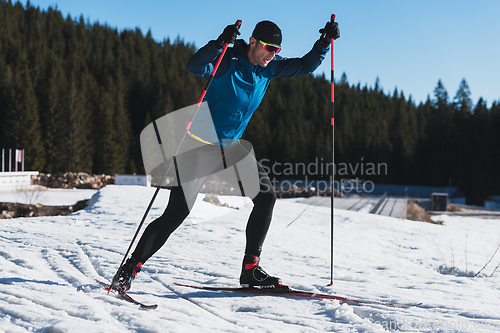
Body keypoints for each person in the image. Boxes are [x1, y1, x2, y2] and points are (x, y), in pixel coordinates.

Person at [111, 19, 340, 292]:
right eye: (268, 47)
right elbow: (194, 66)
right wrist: (218, 44)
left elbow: (305, 65)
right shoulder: (228, 59)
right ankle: (129, 269)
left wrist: (324, 43)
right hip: (198, 147)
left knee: (266, 197)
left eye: (277, 50)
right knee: (176, 214)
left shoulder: (268, 69)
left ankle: (250, 271)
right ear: (253, 41)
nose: (272, 54)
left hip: (232, 147)